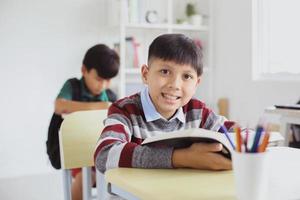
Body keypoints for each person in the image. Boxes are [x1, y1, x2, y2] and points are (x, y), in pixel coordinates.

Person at [94, 34, 234, 175]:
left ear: (196, 83)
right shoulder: (125, 110)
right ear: (145, 75)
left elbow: (239, 134)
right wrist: (183, 157)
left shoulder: (197, 112)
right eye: (165, 72)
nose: (175, 85)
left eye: (187, 76)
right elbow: (104, 155)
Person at [55, 44, 119, 200]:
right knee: (85, 177)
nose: (103, 85)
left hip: (101, 149)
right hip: (77, 149)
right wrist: (99, 107)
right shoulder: (73, 86)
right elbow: (59, 106)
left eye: (108, 80)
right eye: (98, 79)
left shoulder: (110, 95)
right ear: (84, 70)